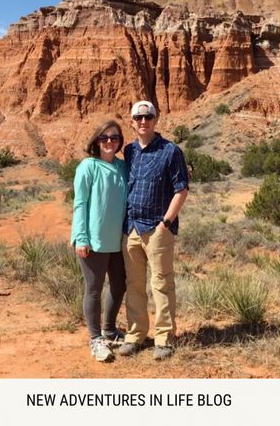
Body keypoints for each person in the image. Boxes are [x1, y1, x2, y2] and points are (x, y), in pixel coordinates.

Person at [119, 100, 189, 361]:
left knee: (161, 284)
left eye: (148, 117)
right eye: (138, 117)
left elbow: (181, 189)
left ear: (156, 119)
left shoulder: (170, 151)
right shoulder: (129, 151)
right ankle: (136, 335)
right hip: (132, 228)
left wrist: (166, 224)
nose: (143, 121)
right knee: (134, 284)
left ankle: (164, 339)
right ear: (132, 121)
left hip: (158, 229)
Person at [71, 119, 127, 363]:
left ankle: (110, 330)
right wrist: (81, 237)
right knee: (93, 290)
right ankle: (95, 339)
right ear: (96, 141)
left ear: (119, 142)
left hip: (118, 241)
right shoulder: (88, 166)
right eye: (104, 138)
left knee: (119, 285)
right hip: (93, 241)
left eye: (114, 138)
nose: (109, 142)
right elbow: (80, 203)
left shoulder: (123, 167)